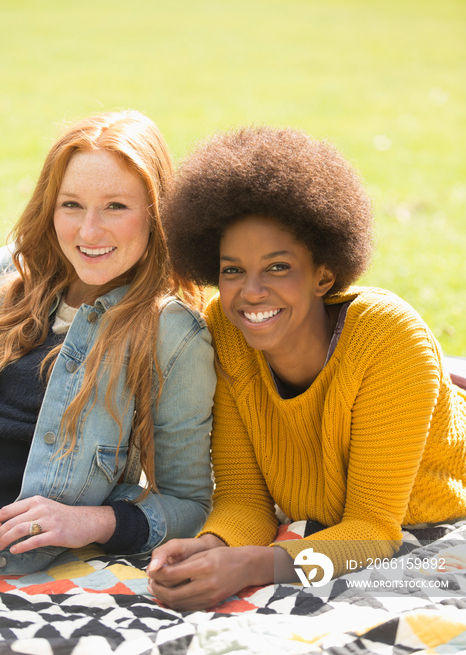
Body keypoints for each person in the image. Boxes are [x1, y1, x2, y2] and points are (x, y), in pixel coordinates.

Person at [147, 125, 466, 610]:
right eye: (232, 270)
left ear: (323, 274)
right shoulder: (226, 330)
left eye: (277, 267)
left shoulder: (389, 338)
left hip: (432, 507)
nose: (251, 292)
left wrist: (254, 565)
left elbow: (374, 533)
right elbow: (243, 499)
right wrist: (212, 548)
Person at [0, 110, 216, 575]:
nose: (89, 232)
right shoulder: (8, 279)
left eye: (116, 207)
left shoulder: (174, 336)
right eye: (71, 205)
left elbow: (188, 502)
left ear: (156, 215)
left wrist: (90, 522)